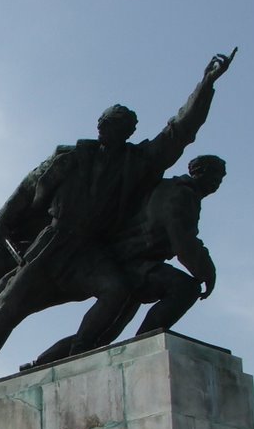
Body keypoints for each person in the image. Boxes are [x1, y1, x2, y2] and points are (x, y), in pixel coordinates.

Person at [0, 50, 236, 394]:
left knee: (116, 290)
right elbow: (27, 191)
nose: (119, 131)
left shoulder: (135, 162)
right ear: (101, 127)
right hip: (52, 245)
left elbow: (178, 133)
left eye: (127, 128)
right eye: (113, 124)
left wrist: (206, 86)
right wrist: (4, 220)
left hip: (89, 252)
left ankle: (78, 356)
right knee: (9, 311)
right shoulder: (71, 158)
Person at [26, 155, 228, 367]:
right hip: (131, 261)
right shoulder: (181, 194)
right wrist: (207, 271)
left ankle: (39, 363)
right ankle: (143, 347)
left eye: (220, 178)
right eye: (215, 176)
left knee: (103, 337)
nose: (217, 183)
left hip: (135, 261)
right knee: (185, 288)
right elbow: (183, 241)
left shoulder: (178, 190)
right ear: (199, 172)